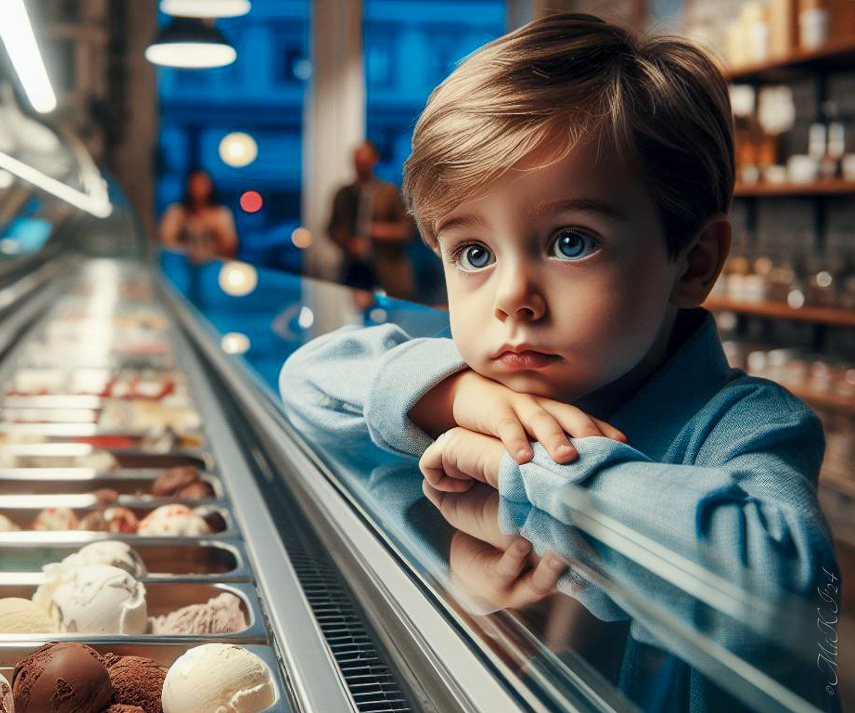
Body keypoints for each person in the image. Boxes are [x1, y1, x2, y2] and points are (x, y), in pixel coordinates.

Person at [279, 14, 838, 712]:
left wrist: (526, 464)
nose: (512, 297)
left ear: (692, 262)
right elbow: (307, 380)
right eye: (474, 253)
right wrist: (455, 397)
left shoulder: (747, 424)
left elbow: (780, 588)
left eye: (572, 241)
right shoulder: (483, 381)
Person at [327, 141, 415, 298]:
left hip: (387, 270)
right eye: (357, 162)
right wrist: (347, 242)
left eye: (365, 162)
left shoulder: (388, 192)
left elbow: (407, 231)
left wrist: (379, 231)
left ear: (374, 161)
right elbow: (330, 229)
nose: (361, 167)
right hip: (353, 269)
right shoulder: (343, 194)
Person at [159, 169, 238, 263]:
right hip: (182, 266)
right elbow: (166, 241)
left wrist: (215, 231)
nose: (198, 188)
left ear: (210, 187)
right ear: (188, 186)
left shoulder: (221, 213)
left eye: (202, 184)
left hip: (213, 265)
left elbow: (230, 246)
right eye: (194, 184)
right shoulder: (176, 211)